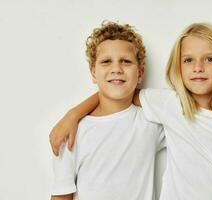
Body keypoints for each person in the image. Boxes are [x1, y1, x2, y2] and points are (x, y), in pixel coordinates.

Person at [50, 23, 212, 200]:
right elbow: (117, 92)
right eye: (189, 60)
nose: (198, 67)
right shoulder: (169, 107)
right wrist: (73, 114)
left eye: (209, 59)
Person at [51, 21, 165, 200]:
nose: (116, 69)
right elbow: (61, 196)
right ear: (93, 73)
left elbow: (187, 108)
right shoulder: (72, 132)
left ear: (140, 73)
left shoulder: (151, 122)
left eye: (126, 62)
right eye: (106, 62)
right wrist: (74, 115)